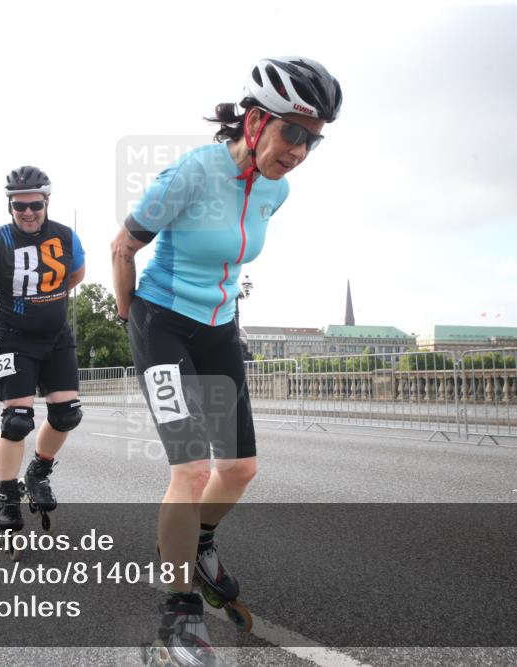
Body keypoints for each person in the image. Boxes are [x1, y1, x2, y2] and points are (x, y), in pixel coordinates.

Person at [111, 57, 342, 665]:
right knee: (188, 470)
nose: (300, 151)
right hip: (161, 323)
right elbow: (122, 245)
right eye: (292, 132)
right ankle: (179, 613)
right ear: (256, 119)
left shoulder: (279, 189)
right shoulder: (192, 173)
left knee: (239, 469)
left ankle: (202, 539)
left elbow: (234, 259)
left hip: (218, 329)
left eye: (312, 140)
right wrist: (125, 313)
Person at [0, 165, 86, 535]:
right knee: (18, 420)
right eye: (18, 206)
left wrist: (46, 299)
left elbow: (76, 275)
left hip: (57, 336)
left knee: (67, 415)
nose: (27, 212)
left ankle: (38, 471)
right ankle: (7, 496)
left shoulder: (66, 238)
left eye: (35, 205)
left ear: (47, 202)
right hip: (13, 338)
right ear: (9, 206)